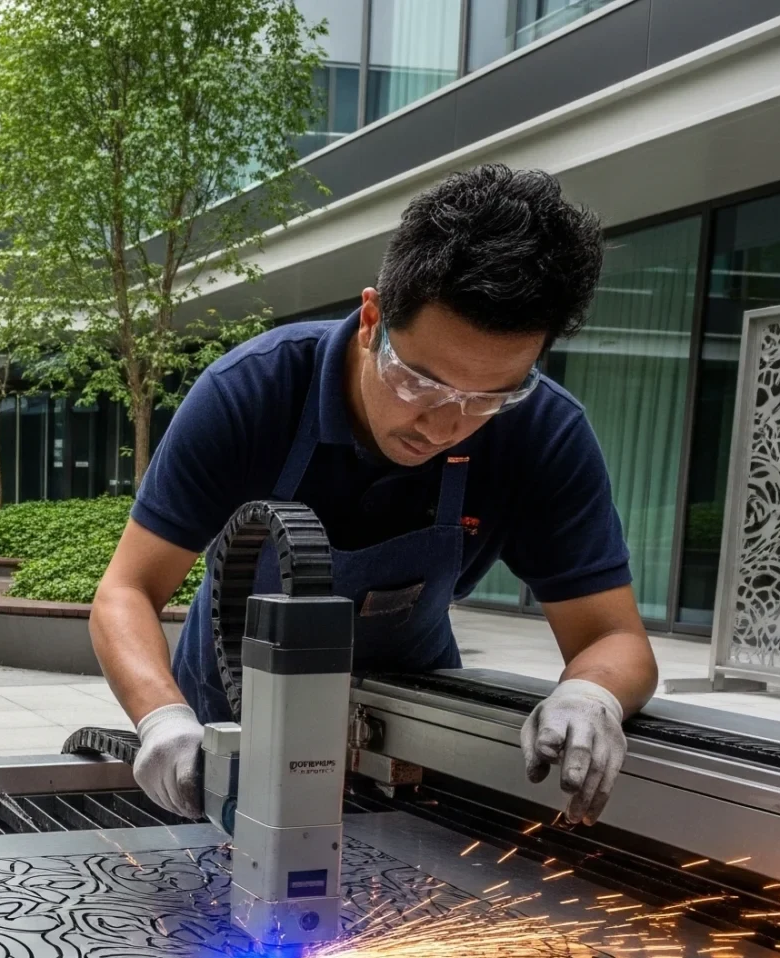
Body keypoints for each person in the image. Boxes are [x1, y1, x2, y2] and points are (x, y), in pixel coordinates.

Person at [90, 165, 656, 826]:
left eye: (488, 399)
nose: (442, 426)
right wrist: (162, 719)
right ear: (372, 319)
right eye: (421, 383)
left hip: (406, 732)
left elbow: (615, 638)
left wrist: (590, 695)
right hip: (227, 721)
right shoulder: (253, 392)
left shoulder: (544, 434)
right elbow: (125, 592)